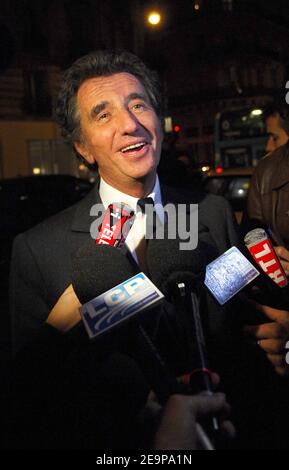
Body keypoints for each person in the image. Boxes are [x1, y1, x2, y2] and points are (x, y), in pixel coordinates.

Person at [9, 50, 289, 448]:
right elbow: (31, 403)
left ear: (159, 121)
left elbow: (238, 334)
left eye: (139, 104)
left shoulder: (210, 213)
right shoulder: (38, 251)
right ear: (83, 148)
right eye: (103, 114)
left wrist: (271, 346)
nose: (130, 124)